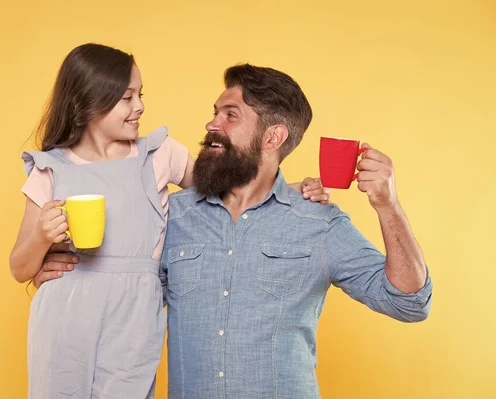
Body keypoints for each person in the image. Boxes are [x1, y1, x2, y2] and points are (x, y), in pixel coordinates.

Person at [9, 43, 330, 399]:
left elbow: (226, 190)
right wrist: (42, 238)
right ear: (86, 102)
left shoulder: (159, 154)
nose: (140, 106)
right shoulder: (50, 168)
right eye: (126, 97)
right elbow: (20, 267)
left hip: (135, 313)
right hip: (65, 310)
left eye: (140, 95)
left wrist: (289, 188)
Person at [158, 64, 433, 398]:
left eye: (230, 115)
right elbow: (125, 298)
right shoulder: (174, 215)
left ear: (273, 137)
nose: (211, 124)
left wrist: (388, 206)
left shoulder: (318, 223)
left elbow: (409, 302)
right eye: (215, 112)